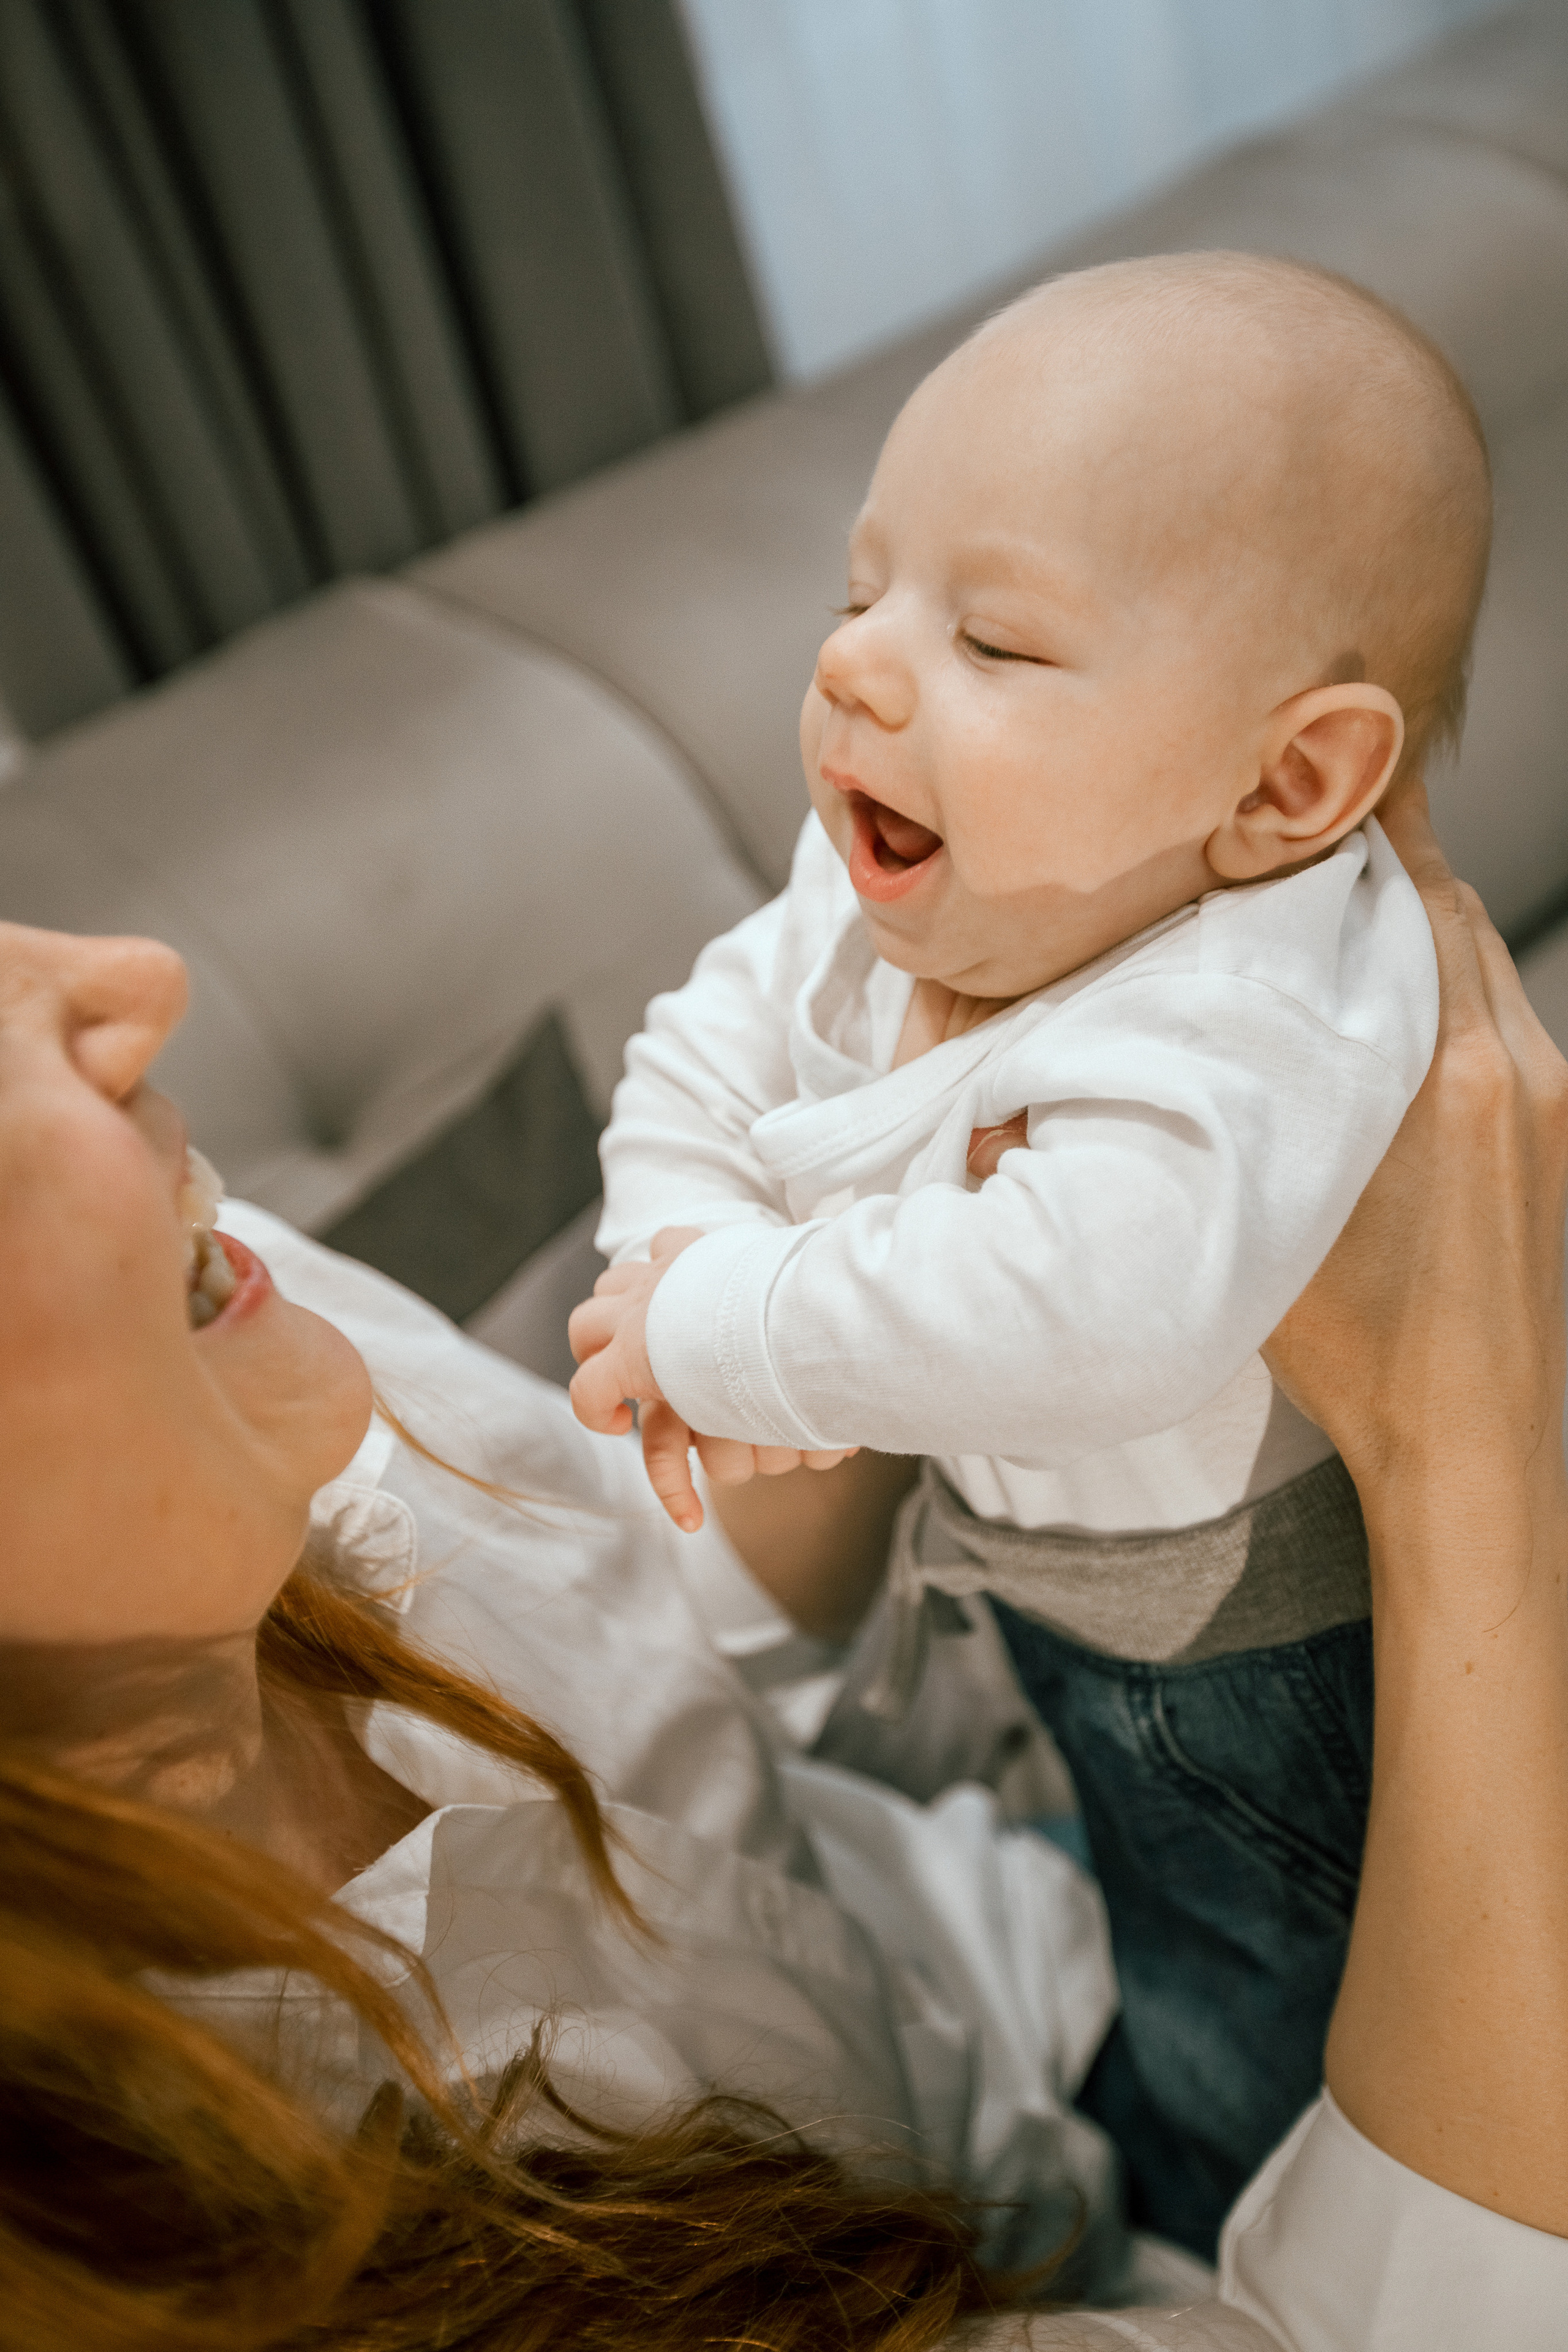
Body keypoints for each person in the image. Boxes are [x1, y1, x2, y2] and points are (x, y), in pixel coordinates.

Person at [2, 786, 1566, 2349]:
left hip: (1034, 1949)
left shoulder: (228, 1327)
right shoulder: (240, 2269)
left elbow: (649, 1628)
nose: (129, 978)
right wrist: (1464, 1448)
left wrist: (863, 1276)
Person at [567, 252, 1491, 2247]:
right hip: (1070, 1618)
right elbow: (696, 1054)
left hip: (1266, 1665)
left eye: (991, 638)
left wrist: (735, 1334)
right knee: (1141, 1867)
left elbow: (1101, 1311)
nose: (860, 669)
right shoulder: (907, 872)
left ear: (1291, 787)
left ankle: (1244, 2204)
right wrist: (681, 1261)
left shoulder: (1257, 1002)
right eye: (859, 588)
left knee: (1261, 1978)